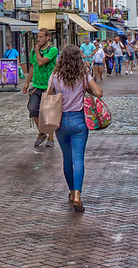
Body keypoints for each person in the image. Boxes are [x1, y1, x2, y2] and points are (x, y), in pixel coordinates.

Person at [44, 44, 103, 212]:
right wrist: (86, 89)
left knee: (67, 159)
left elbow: (48, 95)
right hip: (79, 121)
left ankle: (71, 191)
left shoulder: (55, 76)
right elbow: (98, 93)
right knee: (78, 159)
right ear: (79, 59)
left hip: (61, 121)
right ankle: (78, 194)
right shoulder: (83, 75)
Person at [22, 29, 58, 147]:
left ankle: (51, 137)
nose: (39, 39)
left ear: (48, 38)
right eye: (38, 37)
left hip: (49, 86)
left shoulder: (52, 50)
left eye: (41, 37)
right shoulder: (34, 50)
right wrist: (27, 82)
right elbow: (33, 66)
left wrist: (37, 51)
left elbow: (41, 62)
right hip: (37, 86)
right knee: (33, 109)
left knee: (48, 113)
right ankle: (42, 132)